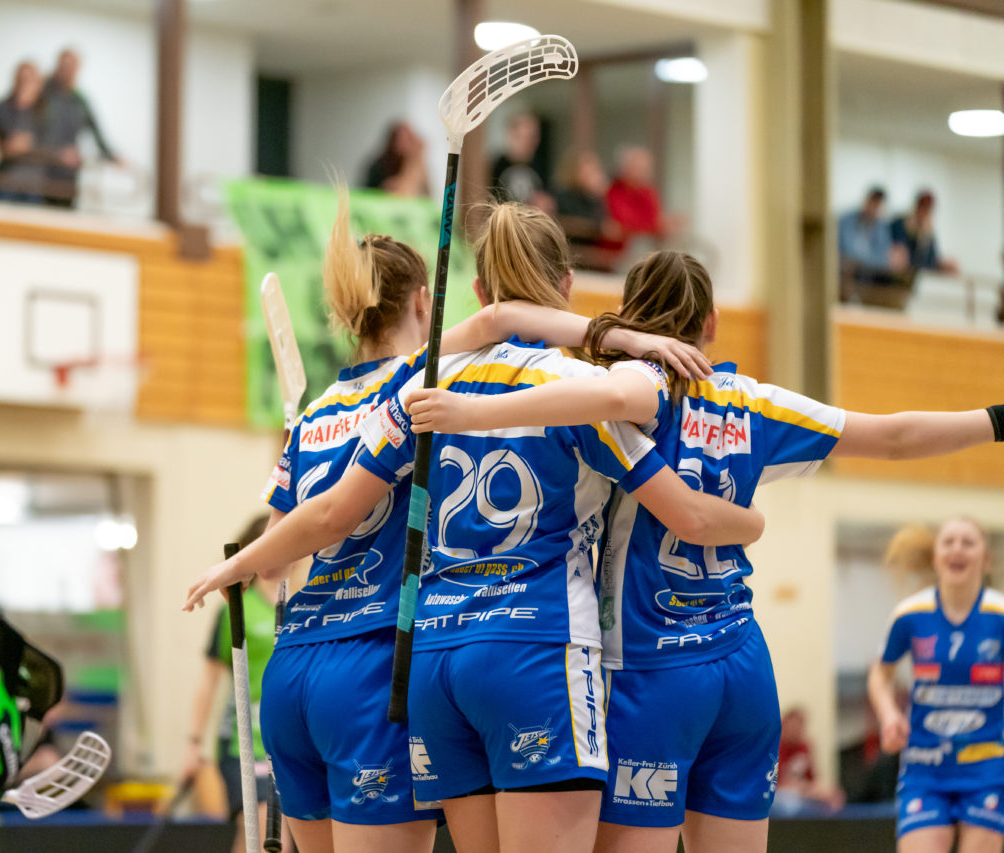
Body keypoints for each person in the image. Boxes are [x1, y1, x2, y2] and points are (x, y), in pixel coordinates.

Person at [184, 203, 764, 853]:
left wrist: (235, 565)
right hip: (509, 649)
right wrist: (626, 342)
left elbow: (318, 520)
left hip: (393, 661)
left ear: (477, 289)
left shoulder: (404, 388)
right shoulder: (569, 389)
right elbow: (683, 509)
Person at [403, 248, 1004, 853]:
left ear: (632, 319)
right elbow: (895, 436)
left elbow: (610, 399)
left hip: (648, 671)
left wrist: (472, 410)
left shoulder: (637, 381)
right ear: (711, 323)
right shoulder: (755, 402)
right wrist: (994, 420)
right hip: (741, 666)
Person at [869, 516, 1004, 853]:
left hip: (988, 767)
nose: (957, 549)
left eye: (968, 542)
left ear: (985, 560)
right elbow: (880, 674)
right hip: (925, 766)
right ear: (935, 557)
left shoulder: (999, 614)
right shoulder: (910, 614)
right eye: (949, 542)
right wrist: (888, 716)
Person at [181, 515, 289, 853]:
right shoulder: (237, 609)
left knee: (265, 837)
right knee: (264, 834)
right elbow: (208, 682)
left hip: (286, 741)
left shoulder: (302, 606)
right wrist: (193, 744)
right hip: (244, 742)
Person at [37, 48, 122, 208]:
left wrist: (112, 156)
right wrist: (55, 153)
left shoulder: (79, 101)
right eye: (64, 65)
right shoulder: (42, 93)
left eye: (72, 67)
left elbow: (96, 132)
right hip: (41, 170)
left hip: (68, 173)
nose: (68, 71)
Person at [0, 61, 48, 203]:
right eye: (21, 80)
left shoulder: (45, 112)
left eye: (29, 80)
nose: (24, 85)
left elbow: (46, 141)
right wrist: (21, 105)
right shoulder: (1, 107)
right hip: (6, 177)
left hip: (33, 182)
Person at [603, 146, 680, 259]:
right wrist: (656, 227)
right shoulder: (614, 191)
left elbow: (656, 220)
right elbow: (623, 223)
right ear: (625, 168)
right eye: (637, 168)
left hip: (644, 247)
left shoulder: (649, 192)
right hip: (619, 253)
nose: (642, 172)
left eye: (645, 168)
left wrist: (662, 226)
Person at [553, 148, 620, 271]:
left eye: (595, 169)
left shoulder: (595, 198)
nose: (593, 174)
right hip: (572, 257)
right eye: (588, 169)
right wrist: (598, 228)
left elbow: (608, 222)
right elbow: (572, 220)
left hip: (593, 258)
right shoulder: (564, 194)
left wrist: (601, 195)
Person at [839, 186, 910, 298]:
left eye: (878, 204)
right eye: (873, 202)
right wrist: (872, 259)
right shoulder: (846, 221)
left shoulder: (881, 226)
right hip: (846, 276)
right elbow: (846, 252)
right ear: (867, 201)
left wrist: (862, 261)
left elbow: (884, 259)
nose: (874, 207)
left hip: (869, 278)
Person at [491, 112, 554, 213]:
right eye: (523, 137)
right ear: (512, 136)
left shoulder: (540, 165)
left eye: (533, 137)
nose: (529, 142)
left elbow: (547, 197)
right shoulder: (498, 165)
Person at [891, 190, 960, 277]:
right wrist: (913, 233)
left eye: (928, 209)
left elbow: (932, 260)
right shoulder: (899, 224)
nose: (924, 212)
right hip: (900, 274)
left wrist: (924, 237)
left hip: (922, 275)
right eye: (922, 207)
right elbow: (898, 254)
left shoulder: (928, 232)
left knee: (952, 265)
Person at [364, 121, 430, 197]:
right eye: (400, 139)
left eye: (408, 139)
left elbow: (425, 194)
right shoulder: (379, 165)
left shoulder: (414, 162)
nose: (404, 143)